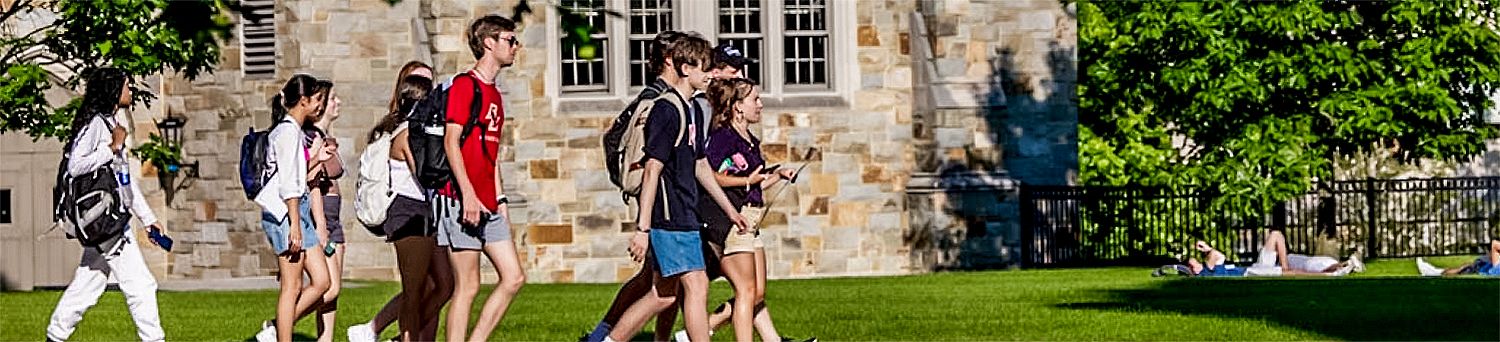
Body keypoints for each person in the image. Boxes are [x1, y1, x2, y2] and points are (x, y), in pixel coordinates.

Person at [606, 34, 749, 342]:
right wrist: (642, 229)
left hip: (687, 211)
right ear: (685, 68)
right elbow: (652, 171)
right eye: (705, 67)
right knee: (689, 288)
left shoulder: (693, 109)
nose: (711, 74)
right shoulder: (666, 109)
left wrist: (730, 210)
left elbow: (700, 166)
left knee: (666, 293)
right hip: (668, 216)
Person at [46, 67, 171, 342]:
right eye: (127, 86)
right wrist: (112, 148)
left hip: (111, 219)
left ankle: (55, 335)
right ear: (114, 91)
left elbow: (123, 182)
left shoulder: (110, 124)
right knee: (141, 285)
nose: (130, 90)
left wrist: (148, 219)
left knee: (88, 284)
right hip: (106, 220)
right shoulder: (96, 126)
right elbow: (76, 165)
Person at [580, 30, 686, 342]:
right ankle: (606, 337)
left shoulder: (667, 96)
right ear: (671, 60)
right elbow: (640, 155)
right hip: (659, 198)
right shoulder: (657, 100)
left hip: (664, 198)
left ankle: (609, 335)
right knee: (662, 283)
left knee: (660, 280)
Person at [349, 61, 455, 342]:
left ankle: (398, 336)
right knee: (414, 291)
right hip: (408, 214)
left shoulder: (416, 130)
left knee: (445, 285)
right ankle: (401, 336)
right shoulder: (407, 132)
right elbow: (425, 173)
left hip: (425, 214)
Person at [437, 15, 526, 342]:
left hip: (489, 203)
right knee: (468, 284)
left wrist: (500, 200)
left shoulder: (495, 95)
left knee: (514, 277)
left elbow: (491, 156)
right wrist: (469, 195)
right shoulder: (465, 85)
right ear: (489, 42)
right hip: (460, 200)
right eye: (510, 40)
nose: (515, 47)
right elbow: (451, 142)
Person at [255, 74, 333, 342]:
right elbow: (288, 185)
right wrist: (295, 227)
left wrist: (315, 162)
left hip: (297, 210)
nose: (320, 106)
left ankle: (277, 328)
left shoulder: (292, 132)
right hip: (286, 214)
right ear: (303, 101)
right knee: (292, 285)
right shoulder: (287, 133)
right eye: (317, 100)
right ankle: (282, 337)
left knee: (323, 280)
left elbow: (293, 175)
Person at [304, 79, 347, 342]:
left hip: (334, 216)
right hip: (323, 217)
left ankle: (326, 339)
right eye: (332, 99)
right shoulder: (312, 138)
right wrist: (320, 224)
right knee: (328, 288)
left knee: (333, 293)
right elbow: (312, 183)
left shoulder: (325, 137)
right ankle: (278, 324)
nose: (337, 102)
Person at [1416, 239, 1500, 276]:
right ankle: (1434, 272)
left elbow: (1495, 244)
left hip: (1483, 268)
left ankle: (1433, 272)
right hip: (1486, 265)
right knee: (1463, 268)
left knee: (1461, 269)